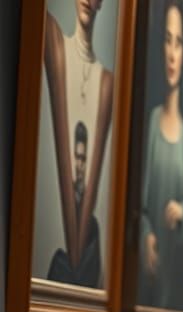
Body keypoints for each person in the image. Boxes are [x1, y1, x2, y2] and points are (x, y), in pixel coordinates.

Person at [41, 0, 114, 288]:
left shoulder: (107, 83)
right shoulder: (54, 41)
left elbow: (91, 190)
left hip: (81, 271)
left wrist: (75, 270)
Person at [138, 0, 183, 309]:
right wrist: (146, 235)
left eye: (180, 43)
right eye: (167, 41)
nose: (172, 54)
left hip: (173, 287)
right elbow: (140, 205)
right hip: (147, 280)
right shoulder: (150, 124)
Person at [47, 121, 100, 285]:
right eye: (77, 158)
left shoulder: (89, 219)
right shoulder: (65, 197)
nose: (79, 166)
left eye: (83, 159)